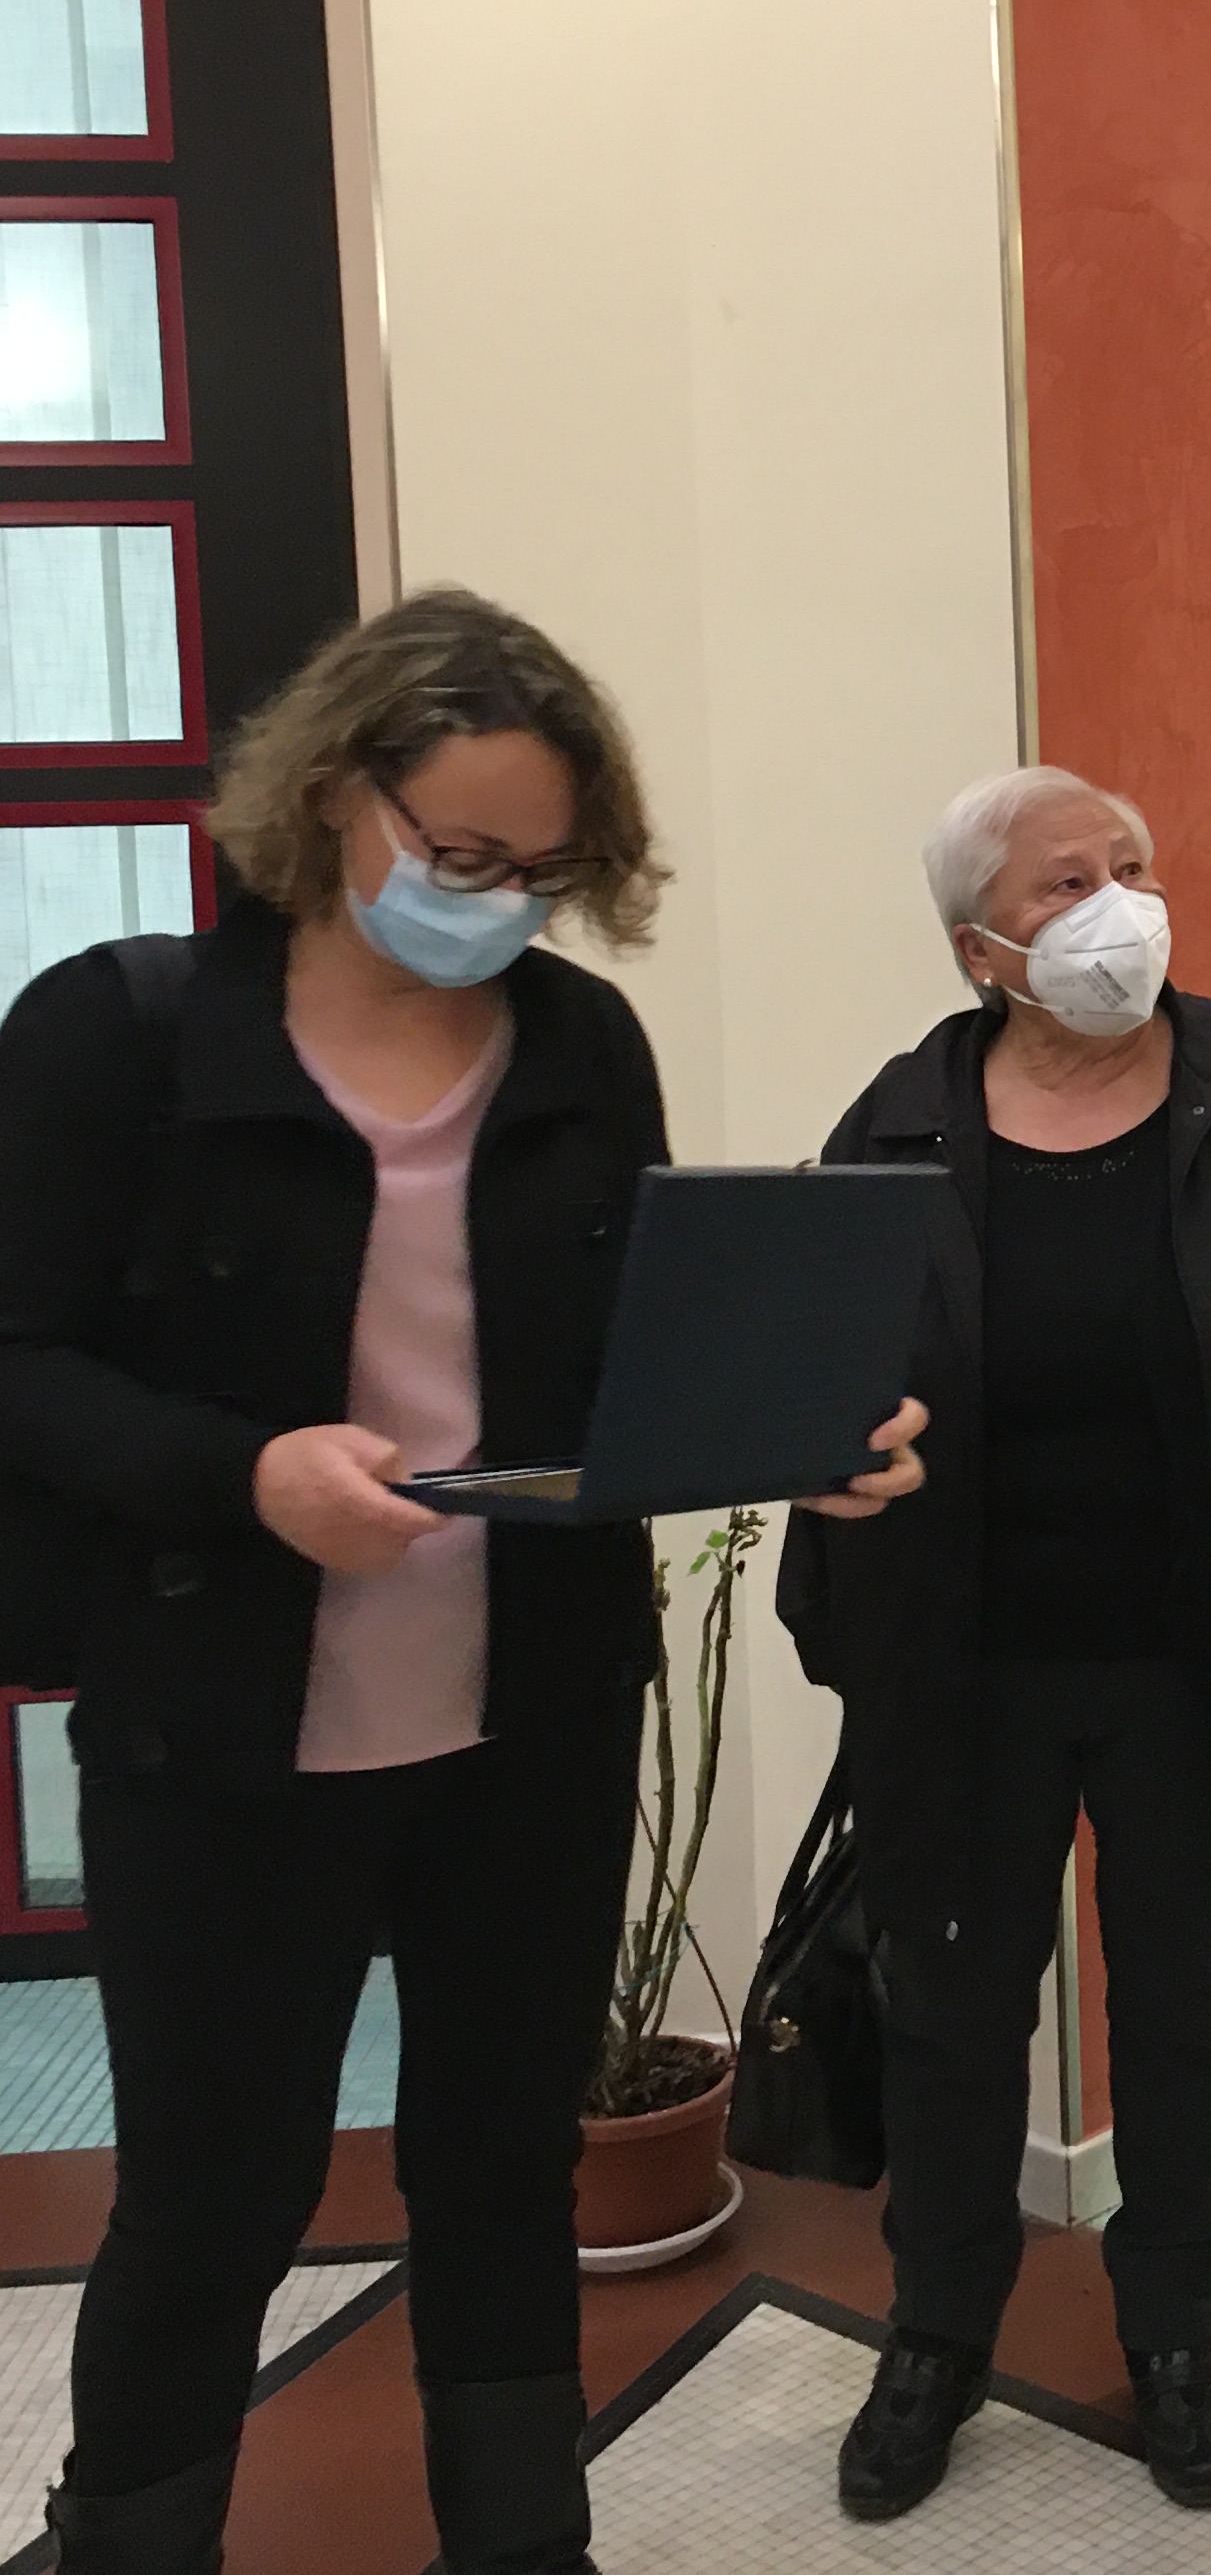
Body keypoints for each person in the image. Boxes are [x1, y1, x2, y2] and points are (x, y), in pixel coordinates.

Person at [0, 589, 925, 2575]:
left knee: (505, 2175)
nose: (497, 903)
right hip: (223, 1728)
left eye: (541, 871)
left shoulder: (579, 1044)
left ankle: (524, 2547)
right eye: (462, 852)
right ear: (338, 790)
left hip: (530, 1718)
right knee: (214, 2196)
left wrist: (789, 1433)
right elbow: (18, 1359)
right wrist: (244, 1474)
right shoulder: (120, 1034)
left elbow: (614, 1378)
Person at [778, 767, 1211, 2522]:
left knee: (1185, 2006)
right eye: (1063, 883)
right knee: (947, 2008)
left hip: (1198, 1657)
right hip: (963, 1662)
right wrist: (819, 1480)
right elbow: (811, 1378)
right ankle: (937, 2331)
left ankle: (1176, 2325)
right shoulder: (892, 1126)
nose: (1115, 906)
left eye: (1130, 865)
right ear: (979, 950)